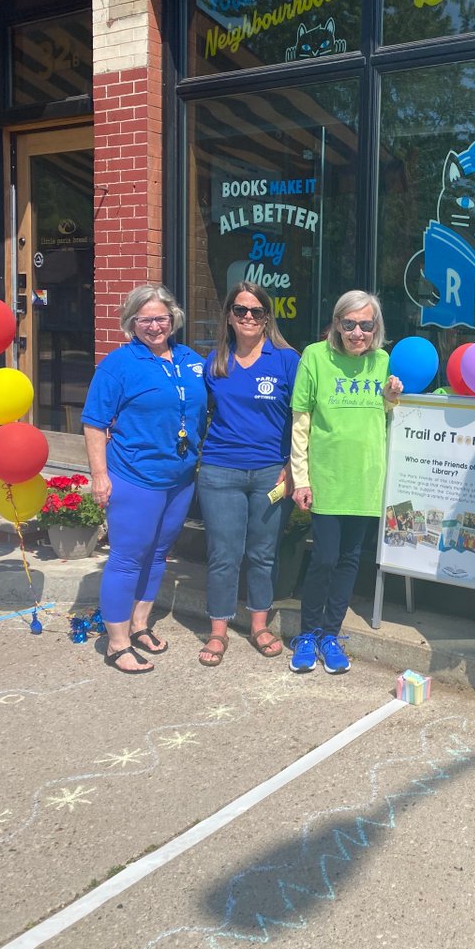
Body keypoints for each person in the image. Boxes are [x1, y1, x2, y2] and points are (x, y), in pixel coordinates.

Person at [82, 285, 207, 675]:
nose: (155, 326)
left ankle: (139, 625)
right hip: (135, 477)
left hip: (180, 476)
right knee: (125, 559)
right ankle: (116, 643)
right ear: (132, 323)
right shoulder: (118, 364)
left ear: (173, 320)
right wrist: (99, 476)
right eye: (146, 319)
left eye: (162, 318)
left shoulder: (190, 359)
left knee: (157, 554)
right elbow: (94, 423)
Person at [289, 290, 403, 673]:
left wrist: (390, 397)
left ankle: (331, 634)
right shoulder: (315, 356)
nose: (358, 333)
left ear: (376, 328)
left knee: (351, 561)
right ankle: (307, 633)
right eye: (349, 324)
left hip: (366, 480)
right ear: (337, 324)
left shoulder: (382, 360)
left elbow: (380, 412)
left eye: (366, 325)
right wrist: (300, 478)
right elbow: (301, 421)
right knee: (323, 558)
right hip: (328, 478)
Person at [196, 282, 300, 666]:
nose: (249, 318)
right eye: (241, 310)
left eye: (257, 311)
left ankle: (259, 624)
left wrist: (293, 466)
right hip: (220, 471)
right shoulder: (215, 362)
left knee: (262, 553)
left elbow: (301, 419)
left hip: (271, 472)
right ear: (229, 315)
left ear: (267, 317)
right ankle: (218, 630)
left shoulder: (288, 360)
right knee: (223, 554)